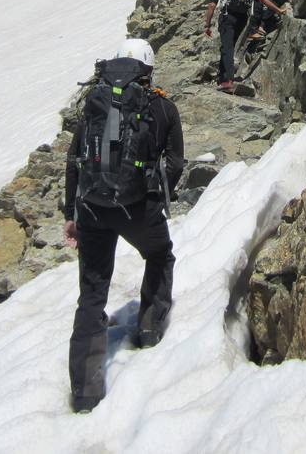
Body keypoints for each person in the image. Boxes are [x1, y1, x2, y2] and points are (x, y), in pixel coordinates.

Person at [63, 38, 184, 414]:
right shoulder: (161, 106)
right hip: (138, 209)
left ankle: (85, 393)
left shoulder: (94, 103)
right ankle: (149, 327)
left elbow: (74, 159)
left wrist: (72, 214)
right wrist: (156, 195)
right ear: (148, 70)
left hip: (93, 209)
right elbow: (176, 162)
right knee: (160, 254)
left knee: (92, 295)